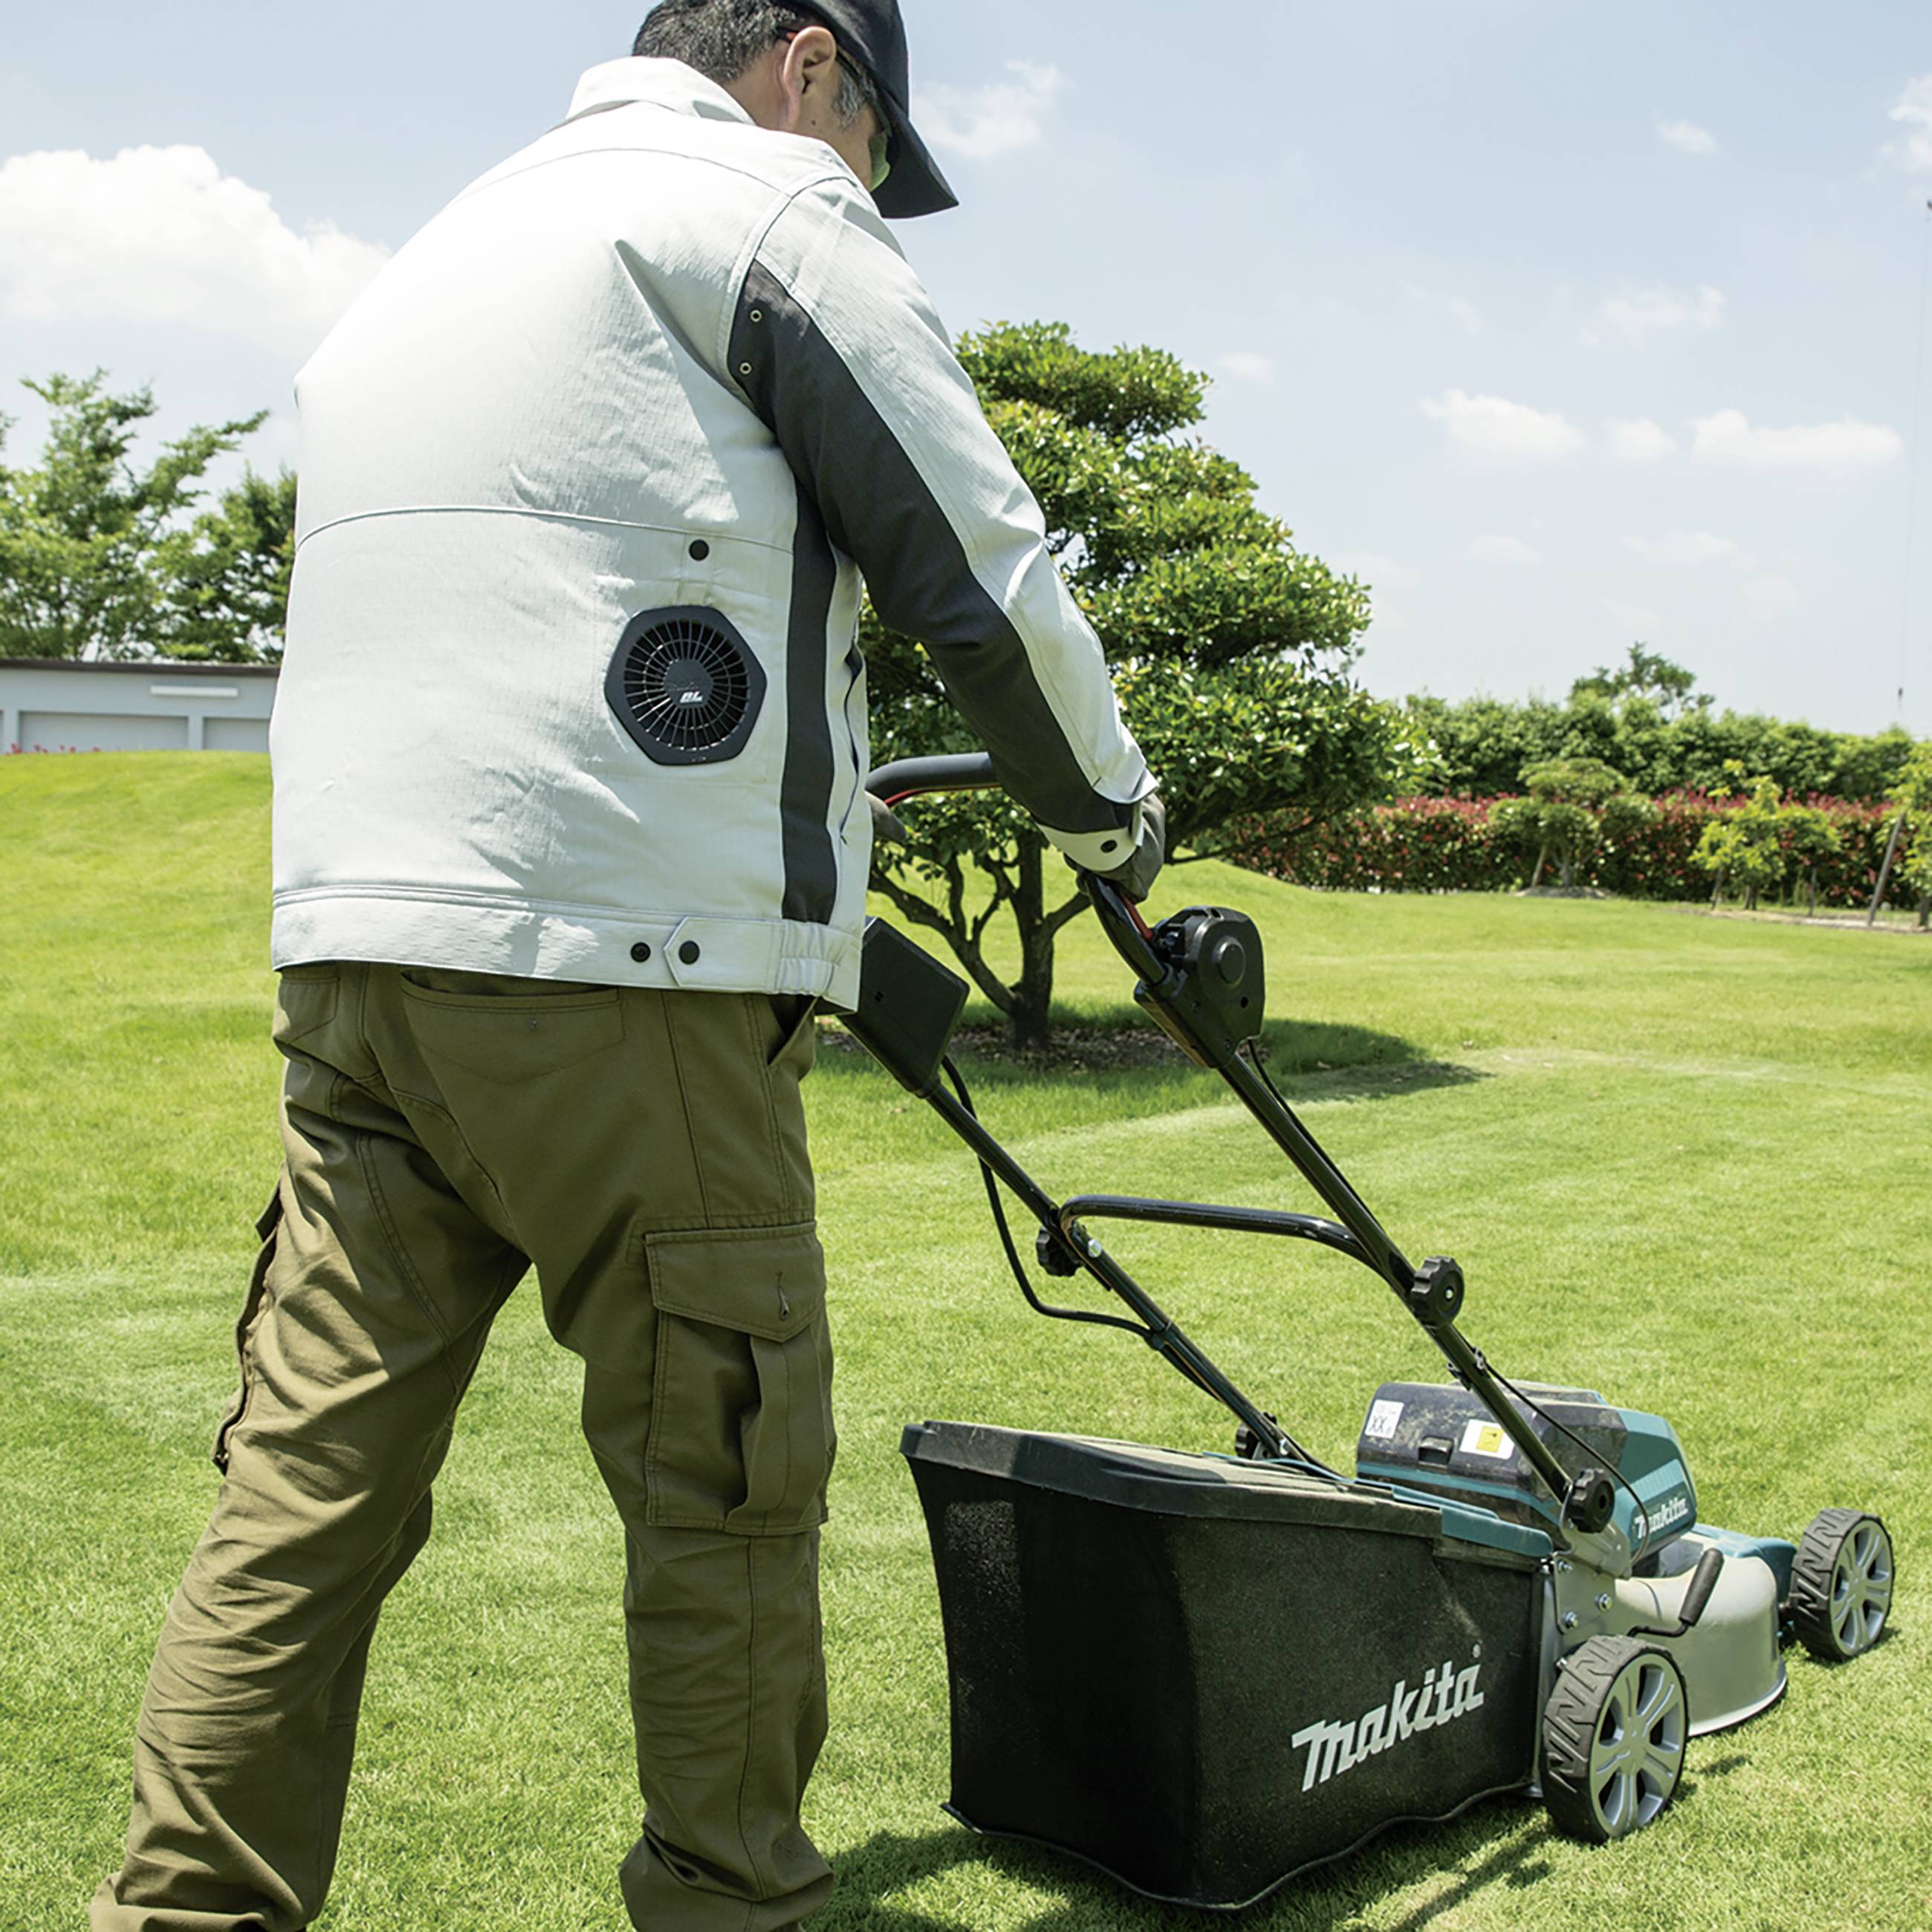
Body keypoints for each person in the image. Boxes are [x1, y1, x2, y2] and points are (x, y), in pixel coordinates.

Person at [91, 2, 1161, 1927]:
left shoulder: (446, 249)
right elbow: (979, 574)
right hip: (623, 986)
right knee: (725, 1485)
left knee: (303, 1494)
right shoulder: (759, 215)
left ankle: (182, 1912)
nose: (869, 190)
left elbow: (551, 589)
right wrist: (1114, 825)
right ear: (817, 65)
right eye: (873, 146)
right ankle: (730, 1901)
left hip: (359, 967)